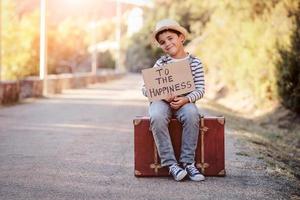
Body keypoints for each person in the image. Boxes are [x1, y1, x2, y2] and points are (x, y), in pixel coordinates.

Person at [141, 19, 206, 181]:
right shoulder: (161, 63)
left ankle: (188, 163)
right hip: (161, 102)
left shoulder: (195, 63)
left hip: (184, 102)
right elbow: (145, 88)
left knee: (192, 114)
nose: (167, 43)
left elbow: (200, 89)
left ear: (181, 37)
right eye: (163, 42)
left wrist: (186, 99)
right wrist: (163, 94)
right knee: (156, 116)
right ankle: (171, 164)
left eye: (170, 38)